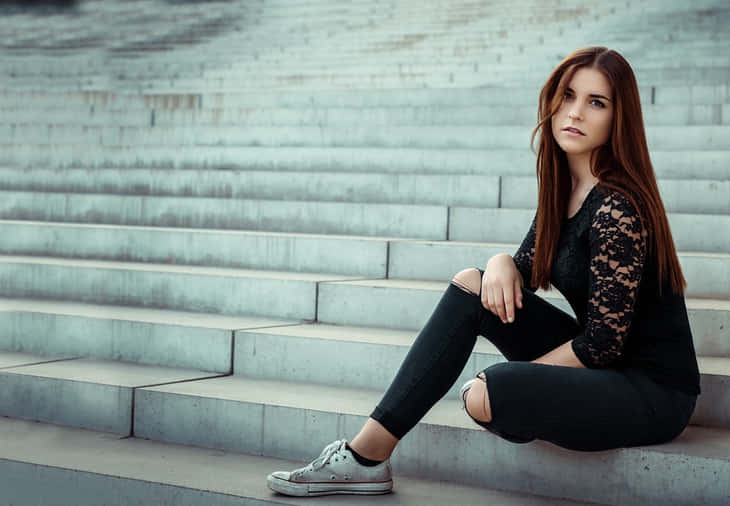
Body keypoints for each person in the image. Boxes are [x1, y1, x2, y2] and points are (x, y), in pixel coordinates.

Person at [266, 46, 702, 497]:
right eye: (567, 95)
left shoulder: (616, 206)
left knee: (487, 393)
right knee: (472, 283)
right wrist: (497, 263)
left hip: (652, 393)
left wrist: (528, 380)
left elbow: (601, 347)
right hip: (602, 366)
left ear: (618, 118)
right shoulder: (569, 188)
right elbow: (522, 271)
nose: (574, 113)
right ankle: (364, 457)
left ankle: (389, 448)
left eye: (596, 102)